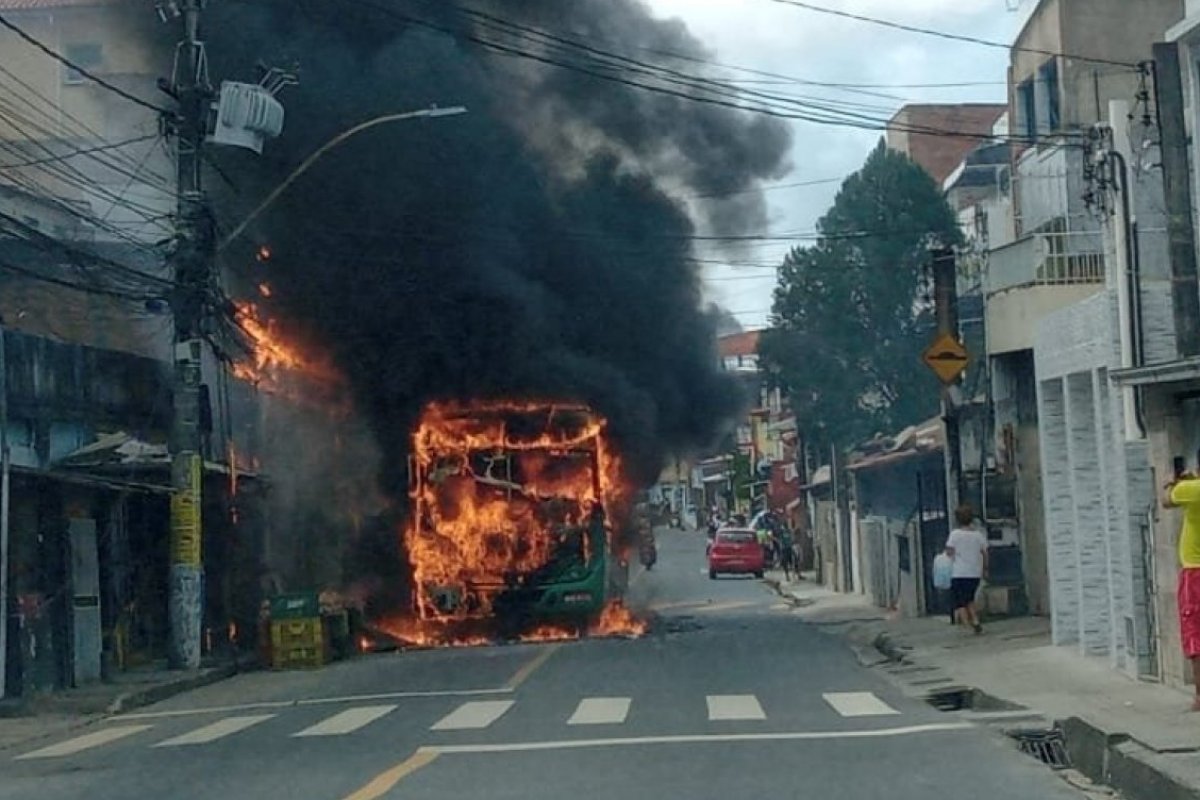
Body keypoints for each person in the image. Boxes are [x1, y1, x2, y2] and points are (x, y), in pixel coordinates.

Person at [1163, 470, 1200, 710]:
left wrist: (1176, 480)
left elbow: (1166, 499)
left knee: (1195, 636)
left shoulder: (1194, 489)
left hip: (1195, 574)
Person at [944, 504, 987, 634]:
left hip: (959, 573)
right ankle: (975, 621)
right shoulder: (978, 535)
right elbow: (985, 553)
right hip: (974, 573)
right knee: (969, 598)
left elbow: (949, 552)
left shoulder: (955, 534)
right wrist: (985, 569)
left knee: (959, 601)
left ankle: (967, 625)